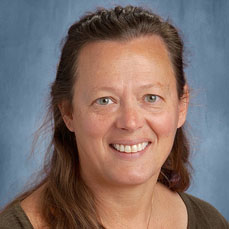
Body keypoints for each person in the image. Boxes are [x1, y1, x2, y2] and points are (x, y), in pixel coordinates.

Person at [0, 5, 228, 229]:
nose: (130, 122)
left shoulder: (209, 222)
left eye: (151, 97)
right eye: (105, 101)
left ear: (181, 105)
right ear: (68, 113)